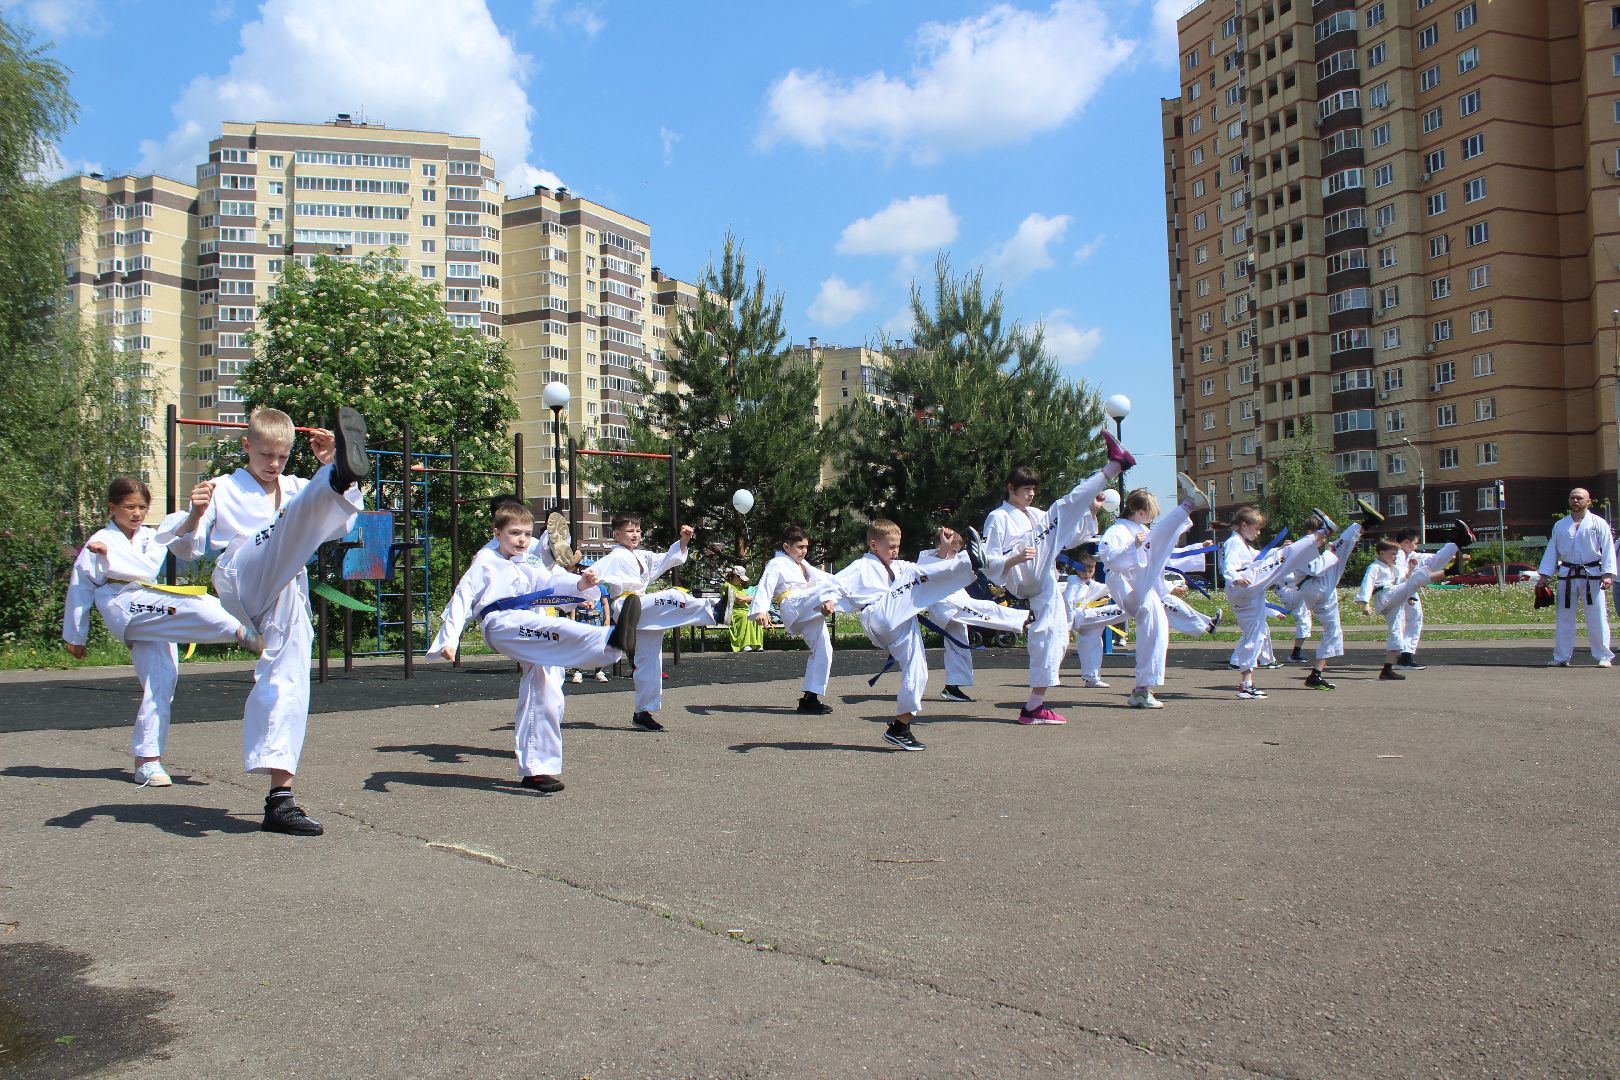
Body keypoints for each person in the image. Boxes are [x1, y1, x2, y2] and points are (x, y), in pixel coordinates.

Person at [168, 406, 369, 835]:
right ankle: (339, 477)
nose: (273, 465)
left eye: (281, 457)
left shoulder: (295, 486)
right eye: (264, 456)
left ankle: (281, 798)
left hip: (286, 585)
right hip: (242, 573)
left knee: (290, 674)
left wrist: (329, 466)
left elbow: (344, 524)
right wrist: (194, 514)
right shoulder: (222, 487)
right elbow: (187, 549)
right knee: (286, 524)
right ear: (246, 446)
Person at [61, 477, 264, 787]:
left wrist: (197, 513)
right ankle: (240, 632)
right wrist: (75, 635)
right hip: (124, 603)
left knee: (160, 684)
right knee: (194, 602)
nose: (137, 513)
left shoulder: (151, 535)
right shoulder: (100, 540)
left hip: (151, 608)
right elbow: (80, 587)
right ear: (113, 507)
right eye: (129, 507)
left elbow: (180, 532)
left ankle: (147, 760)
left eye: (142, 507)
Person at [430, 501, 639, 793]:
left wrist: (581, 585)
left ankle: (538, 769)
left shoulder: (529, 560)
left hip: (528, 622)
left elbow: (551, 580)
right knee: (554, 629)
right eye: (514, 533)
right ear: (496, 532)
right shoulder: (485, 561)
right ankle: (608, 643)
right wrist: (450, 638)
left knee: (548, 686)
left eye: (527, 534)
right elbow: (463, 597)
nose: (521, 540)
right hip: (501, 625)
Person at [982, 431, 1133, 724]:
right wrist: (1012, 559)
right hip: (1022, 572)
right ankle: (1113, 466)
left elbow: (1070, 538)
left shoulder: (1036, 515)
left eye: (1033, 489)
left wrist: (1090, 510)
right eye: (1026, 489)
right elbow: (987, 559)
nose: (1031, 494)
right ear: (1011, 488)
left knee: (1055, 638)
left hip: (1044, 581)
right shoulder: (997, 517)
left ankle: (1034, 707)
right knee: (1061, 510)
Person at [831, 519, 991, 750]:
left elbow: (925, 570)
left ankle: (900, 727)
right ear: (874, 545)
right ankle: (969, 561)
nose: (895, 551)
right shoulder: (862, 566)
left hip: (901, 619)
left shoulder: (899, 566)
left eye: (897, 546)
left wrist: (944, 550)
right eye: (890, 547)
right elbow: (835, 583)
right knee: (912, 580)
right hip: (879, 615)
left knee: (918, 671)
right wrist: (827, 600)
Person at [592, 512, 720, 732]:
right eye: (630, 531)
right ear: (616, 534)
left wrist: (684, 540)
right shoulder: (613, 557)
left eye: (638, 531)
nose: (635, 535)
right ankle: (714, 611)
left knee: (649, 661)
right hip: (626, 605)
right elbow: (591, 573)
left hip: (641, 609)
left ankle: (642, 712)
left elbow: (668, 558)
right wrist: (586, 582)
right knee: (673, 596)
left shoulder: (643, 555)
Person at [1095, 475, 1210, 709]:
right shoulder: (1117, 530)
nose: (1152, 516)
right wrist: (1134, 546)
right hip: (1126, 585)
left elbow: (1163, 558)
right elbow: (1110, 560)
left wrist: (1197, 549)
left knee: (1158, 631)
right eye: (1150, 511)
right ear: (1138, 509)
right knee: (1156, 539)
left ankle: (1142, 689)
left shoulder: (1140, 530)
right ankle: (1187, 505)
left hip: (1143, 585)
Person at [1219, 506, 1336, 700]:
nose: (1258, 533)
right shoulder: (1233, 542)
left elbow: (1257, 556)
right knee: (1285, 559)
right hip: (1244, 583)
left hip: (1248, 590)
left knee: (1255, 636)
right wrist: (1235, 578)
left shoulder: (1241, 543)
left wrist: (1278, 549)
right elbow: (1230, 566)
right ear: (1244, 525)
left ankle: (1246, 683)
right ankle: (1321, 532)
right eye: (1256, 529)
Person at [919, 525, 1030, 703]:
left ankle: (953, 687)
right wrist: (945, 548)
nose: (954, 554)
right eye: (952, 550)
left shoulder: (948, 561)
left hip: (953, 607)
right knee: (988, 609)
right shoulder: (926, 560)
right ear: (940, 546)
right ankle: (1025, 619)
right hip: (949, 606)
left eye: (957, 551)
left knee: (959, 644)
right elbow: (936, 566)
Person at [751, 526, 839, 714]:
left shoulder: (804, 565)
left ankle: (810, 698)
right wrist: (761, 609)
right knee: (825, 589)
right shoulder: (777, 563)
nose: (804, 551)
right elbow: (765, 585)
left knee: (824, 649)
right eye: (800, 547)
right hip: (793, 604)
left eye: (806, 547)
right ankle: (832, 600)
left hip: (808, 609)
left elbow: (826, 579)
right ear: (786, 546)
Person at [1357, 526, 1464, 680]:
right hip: (1385, 595)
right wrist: (1365, 602)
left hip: (1393, 599)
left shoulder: (1392, 568)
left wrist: (1410, 568)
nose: (1395, 557)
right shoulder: (1374, 567)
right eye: (1392, 554)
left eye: (1396, 554)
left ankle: (1387, 669)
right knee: (1416, 580)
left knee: (1396, 631)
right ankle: (1450, 571)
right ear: (1381, 553)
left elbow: (1405, 577)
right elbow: (1367, 583)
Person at [1275, 522, 1363, 690]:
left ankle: (1316, 674)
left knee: (1333, 630)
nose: (1321, 540)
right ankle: (1358, 528)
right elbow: (1315, 568)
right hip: (1313, 588)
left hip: (1315, 590)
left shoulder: (1302, 549)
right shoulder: (1301, 549)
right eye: (1321, 535)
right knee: (1337, 552)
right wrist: (1330, 553)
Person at [1537, 487, 1615, 667]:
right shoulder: (1560, 525)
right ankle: (1561, 656)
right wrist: (1545, 576)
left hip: (1593, 575)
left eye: (1580, 498)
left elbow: (1608, 549)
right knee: (1564, 617)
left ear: (1588, 501)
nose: (1575, 501)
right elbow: (1552, 551)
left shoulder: (1598, 523)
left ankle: (1604, 656)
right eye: (1572, 497)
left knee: (1597, 616)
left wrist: (1608, 574)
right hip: (1567, 574)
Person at [1392, 529, 1431, 670]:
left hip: (1404, 591)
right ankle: (1405, 656)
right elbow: (1399, 575)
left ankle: (1402, 655)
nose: (1416, 546)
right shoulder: (1399, 555)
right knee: (1413, 619)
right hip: (1404, 592)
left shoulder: (1406, 554)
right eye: (1415, 543)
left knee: (1407, 621)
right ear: (1406, 542)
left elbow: (1424, 557)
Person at [725, 566, 764, 653]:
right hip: (733, 611)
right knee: (745, 615)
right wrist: (757, 597)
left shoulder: (740, 587)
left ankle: (757, 644)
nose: (742, 581)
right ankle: (744, 644)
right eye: (741, 579)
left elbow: (746, 599)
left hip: (745, 610)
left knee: (756, 615)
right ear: (735, 576)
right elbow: (740, 599)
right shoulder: (727, 586)